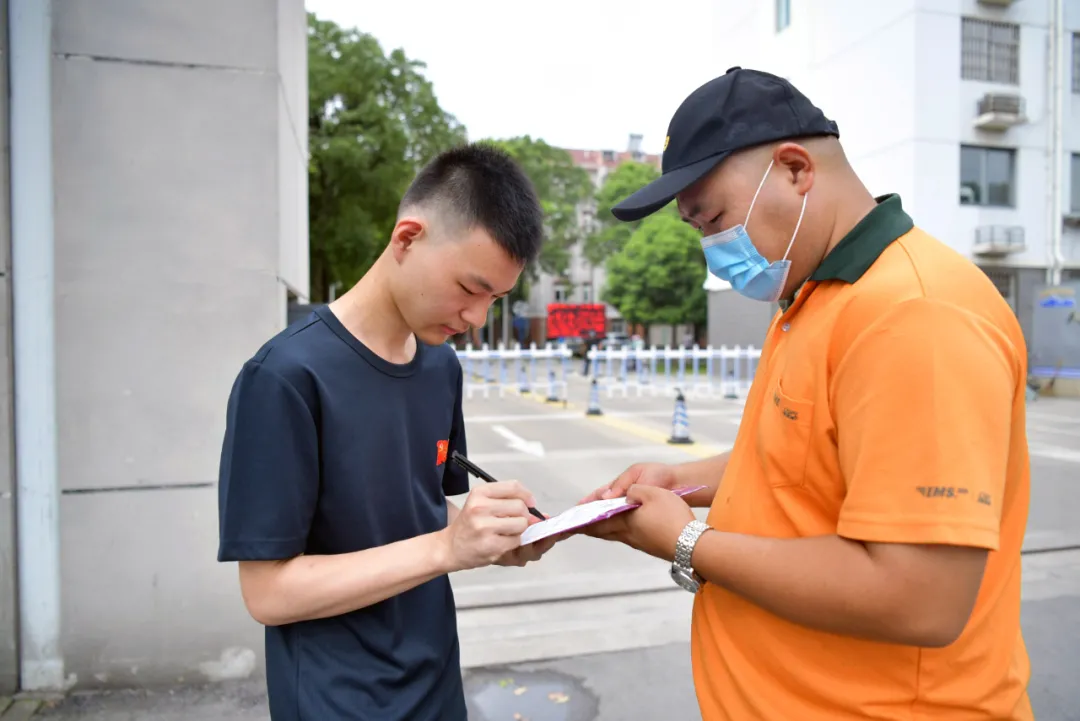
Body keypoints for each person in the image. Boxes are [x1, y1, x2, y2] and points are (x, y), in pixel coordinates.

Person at [578, 67, 1033, 720]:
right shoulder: (819, 295)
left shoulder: (914, 314)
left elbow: (920, 596)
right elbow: (804, 462)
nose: (712, 249)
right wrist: (679, 479)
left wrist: (688, 543)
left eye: (714, 218)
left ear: (796, 169)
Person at [216, 143, 559, 721]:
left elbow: (419, 508)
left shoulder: (439, 365)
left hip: (438, 683)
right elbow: (268, 593)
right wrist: (447, 548)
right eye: (471, 289)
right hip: (338, 699)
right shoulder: (284, 377)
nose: (476, 319)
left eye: (495, 299)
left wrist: (490, 535)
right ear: (407, 238)